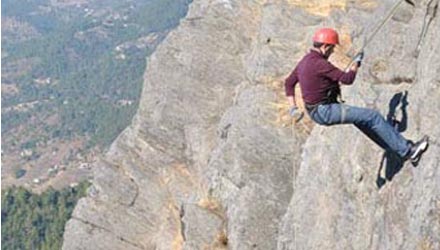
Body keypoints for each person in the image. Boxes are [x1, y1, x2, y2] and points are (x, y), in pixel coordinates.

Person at [285, 27, 428, 163]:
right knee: (372, 116)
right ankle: (409, 151)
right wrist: (355, 65)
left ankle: (391, 142)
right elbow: (348, 79)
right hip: (325, 111)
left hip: (316, 111)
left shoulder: (305, 61)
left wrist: (293, 108)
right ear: (325, 46)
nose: (333, 51)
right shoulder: (320, 64)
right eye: (332, 48)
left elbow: (289, 83)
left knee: (362, 120)